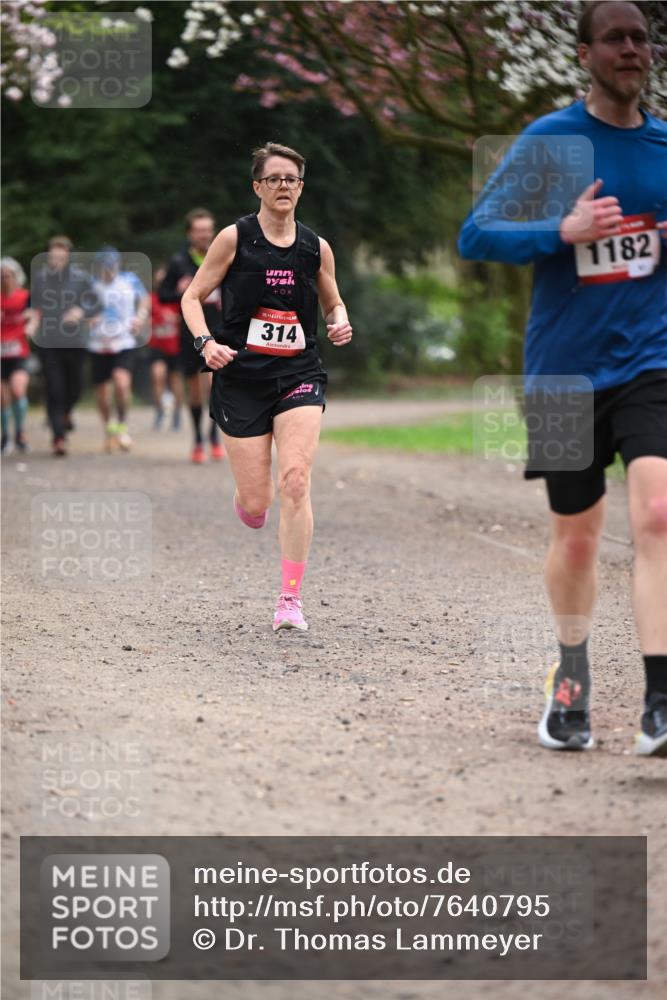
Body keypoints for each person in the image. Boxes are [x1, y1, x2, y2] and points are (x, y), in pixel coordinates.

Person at [459, 0, 667, 756]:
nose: (631, 48)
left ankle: (659, 702)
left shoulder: (664, 144)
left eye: (641, 38)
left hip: (651, 357)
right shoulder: (552, 142)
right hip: (560, 370)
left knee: (659, 514)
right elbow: (476, 235)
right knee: (576, 539)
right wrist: (561, 229)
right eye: (614, 38)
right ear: (583, 54)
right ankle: (571, 679)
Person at [181, 141, 352, 632]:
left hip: (298, 373)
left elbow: (333, 302)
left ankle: (290, 600)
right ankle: (247, 501)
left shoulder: (315, 247)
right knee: (258, 502)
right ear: (257, 186)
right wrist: (206, 344)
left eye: (291, 179)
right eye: (274, 179)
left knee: (295, 478)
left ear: (302, 187)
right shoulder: (234, 238)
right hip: (240, 377)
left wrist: (340, 321)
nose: (283, 186)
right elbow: (193, 298)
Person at [159, 209, 225, 463]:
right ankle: (198, 439)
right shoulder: (179, 262)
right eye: (199, 231)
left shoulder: (224, 257)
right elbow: (162, 295)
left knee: (216, 385)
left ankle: (214, 436)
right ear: (190, 233)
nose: (204, 235)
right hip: (190, 334)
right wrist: (179, 291)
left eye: (208, 230)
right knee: (195, 389)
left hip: (219, 331)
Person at [30, 235, 101, 456]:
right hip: (48, 342)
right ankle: (59, 438)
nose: (56, 260)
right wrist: (31, 321)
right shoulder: (40, 279)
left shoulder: (81, 279)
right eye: (53, 256)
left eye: (61, 256)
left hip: (75, 342)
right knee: (55, 388)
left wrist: (81, 311)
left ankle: (66, 413)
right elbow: (33, 305)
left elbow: (97, 304)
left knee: (75, 388)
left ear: (69, 257)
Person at [89, 248, 150, 453]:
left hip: (123, 341)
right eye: (105, 267)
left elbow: (145, 299)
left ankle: (122, 428)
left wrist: (140, 317)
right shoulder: (92, 285)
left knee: (121, 383)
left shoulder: (129, 280)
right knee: (102, 395)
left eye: (112, 266)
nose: (108, 271)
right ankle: (109, 430)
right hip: (98, 344)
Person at [1, 257, 31, 455]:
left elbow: (36, 315)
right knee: (2, 397)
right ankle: (6, 436)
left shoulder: (25, 297)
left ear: (17, 276)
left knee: (18, 390)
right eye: (2, 276)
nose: (6, 279)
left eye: (9, 275)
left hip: (19, 352)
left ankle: (20, 432)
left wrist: (31, 322)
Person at [149, 266, 183, 430]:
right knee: (158, 376)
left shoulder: (178, 299)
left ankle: (177, 412)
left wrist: (176, 318)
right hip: (157, 345)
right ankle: (160, 410)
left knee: (176, 379)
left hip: (175, 346)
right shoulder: (151, 299)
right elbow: (143, 316)